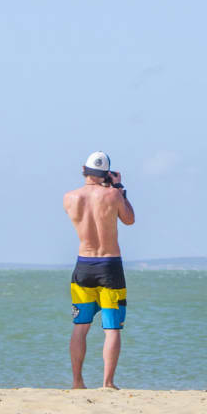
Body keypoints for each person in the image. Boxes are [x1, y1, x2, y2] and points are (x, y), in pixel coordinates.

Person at [64, 151, 135, 389]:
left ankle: (77, 381)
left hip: (83, 264)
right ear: (106, 173)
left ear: (83, 170)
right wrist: (119, 187)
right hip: (109, 265)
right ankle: (107, 382)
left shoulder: (70, 197)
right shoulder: (113, 195)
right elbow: (129, 219)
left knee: (80, 326)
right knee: (112, 327)